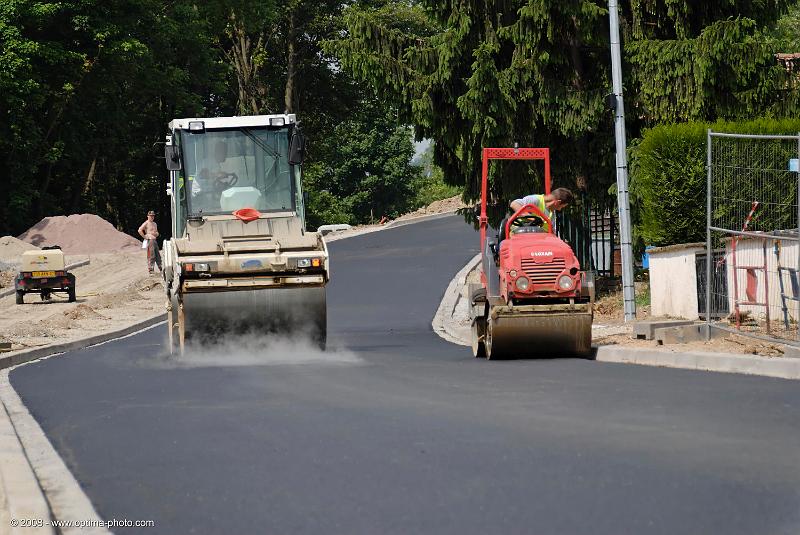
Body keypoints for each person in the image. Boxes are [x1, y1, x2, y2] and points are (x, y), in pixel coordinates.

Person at [499, 187, 574, 242]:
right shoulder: (535, 200)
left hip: (539, 241)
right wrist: (530, 218)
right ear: (557, 202)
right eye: (561, 206)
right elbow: (514, 204)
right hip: (518, 236)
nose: (560, 209)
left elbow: (552, 233)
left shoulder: (552, 214)